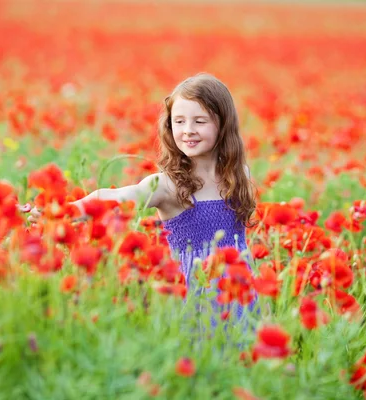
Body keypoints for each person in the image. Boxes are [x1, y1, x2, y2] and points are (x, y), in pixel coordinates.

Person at [27, 73, 258, 338]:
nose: (188, 130)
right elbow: (113, 197)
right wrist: (62, 213)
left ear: (223, 124)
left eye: (200, 121)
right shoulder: (168, 185)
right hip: (195, 299)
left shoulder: (238, 175)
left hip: (240, 297)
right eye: (179, 121)